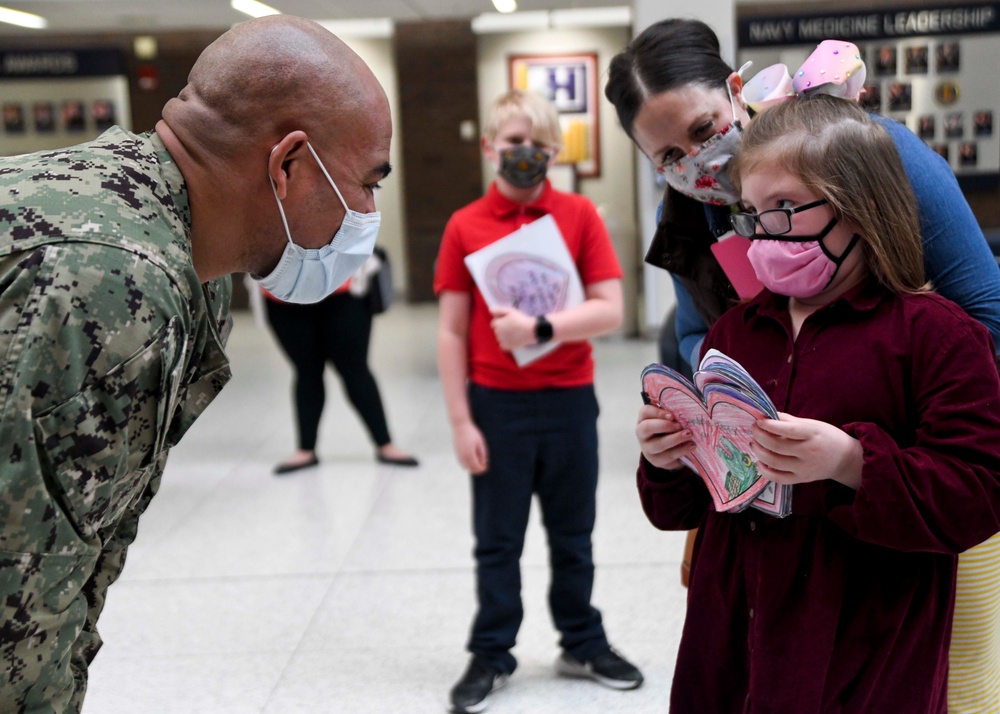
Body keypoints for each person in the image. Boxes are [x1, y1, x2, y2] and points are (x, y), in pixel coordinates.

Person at [0, 15, 391, 713]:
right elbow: (16, 623)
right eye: (368, 184)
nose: (366, 212)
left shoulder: (184, 259)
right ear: (290, 165)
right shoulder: (114, 285)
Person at [605, 22, 1000, 711]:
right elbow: (703, 345)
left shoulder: (867, 162)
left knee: (949, 672)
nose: (696, 161)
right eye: (667, 154)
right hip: (754, 571)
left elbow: (981, 325)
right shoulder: (705, 246)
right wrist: (696, 434)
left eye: (703, 130)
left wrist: (861, 456)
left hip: (885, 551)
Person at [435, 89, 642, 713]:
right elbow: (449, 329)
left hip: (569, 402)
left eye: (536, 144)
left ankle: (582, 641)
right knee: (498, 540)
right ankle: (493, 650)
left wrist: (541, 329)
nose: (523, 154)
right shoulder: (464, 225)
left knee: (572, 535)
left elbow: (611, 309)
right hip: (496, 404)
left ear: (553, 151)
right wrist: (460, 419)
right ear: (489, 146)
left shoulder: (579, 216)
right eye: (512, 142)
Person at [261, 274, 418, 474]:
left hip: (344, 286)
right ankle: (305, 449)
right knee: (306, 370)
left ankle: (385, 444)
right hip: (282, 291)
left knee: (355, 369)